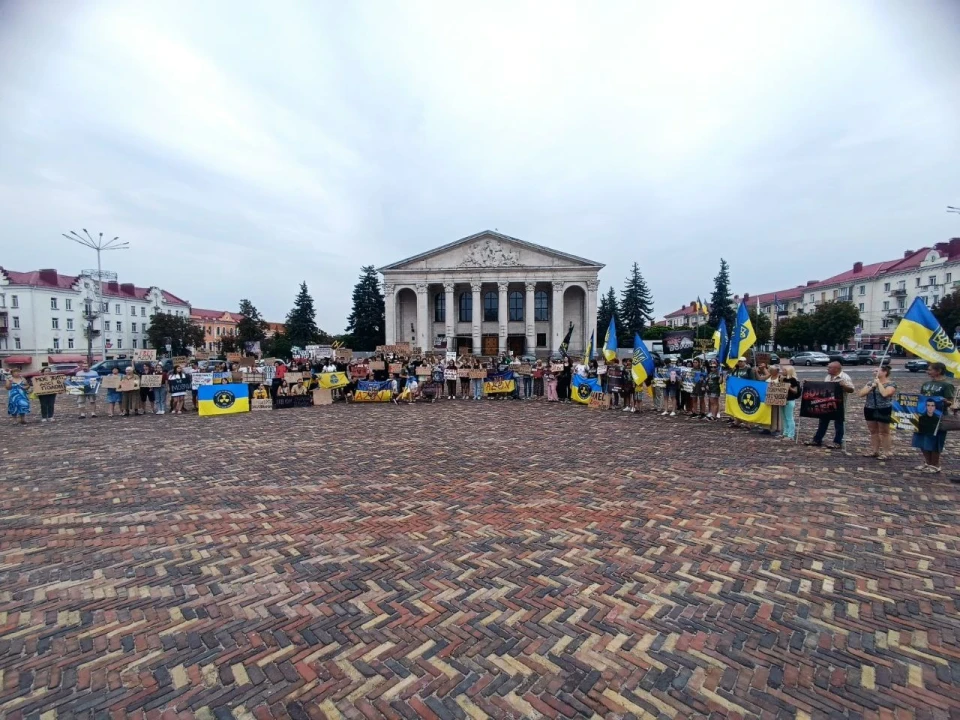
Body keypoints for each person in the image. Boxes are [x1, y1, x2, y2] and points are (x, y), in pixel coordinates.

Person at [912, 361, 954, 473]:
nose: (928, 371)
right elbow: (922, 398)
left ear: (938, 371)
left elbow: (951, 402)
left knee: (935, 440)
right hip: (924, 415)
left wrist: (945, 401)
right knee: (921, 438)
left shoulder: (947, 385)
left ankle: (935, 464)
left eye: (930, 369)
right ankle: (927, 462)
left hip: (938, 416)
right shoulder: (926, 384)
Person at [805, 361, 854, 449]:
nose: (827, 369)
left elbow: (851, 390)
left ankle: (837, 442)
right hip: (827, 403)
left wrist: (844, 386)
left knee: (838, 424)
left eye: (829, 367)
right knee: (823, 422)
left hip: (839, 405)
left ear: (836, 369)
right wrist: (810, 384)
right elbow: (824, 387)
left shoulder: (845, 377)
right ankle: (817, 439)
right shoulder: (828, 377)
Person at [858, 365, 896, 460]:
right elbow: (861, 394)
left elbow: (885, 394)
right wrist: (871, 387)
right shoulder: (871, 383)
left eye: (876, 371)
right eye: (874, 371)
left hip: (883, 408)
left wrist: (879, 384)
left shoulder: (890, 384)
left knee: (884, 432)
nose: (874, 372)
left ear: (884, 372)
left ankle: (887, 452)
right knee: (873, 431)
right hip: (869, 408)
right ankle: (875, 451)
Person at [780, 365, 801, 440]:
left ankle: (791, 435)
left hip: (790, 400)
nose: (782, 371)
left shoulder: (793, 380)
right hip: (782, 400)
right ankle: (785, 433)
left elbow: (795, 391)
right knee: (784, 418)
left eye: (784, 370)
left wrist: (789, 387)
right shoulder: (782, 379)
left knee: (789, 418)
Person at [762, 365, 783, 436]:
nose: (770, 371)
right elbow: (760, 379)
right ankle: (766, 428)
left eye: (772, 370)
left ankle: (775, 428)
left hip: (776, 398)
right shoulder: (768, 376)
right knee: (766, 413)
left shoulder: (780, 377)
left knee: (775, 413)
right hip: (767, 397)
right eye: (770, 370)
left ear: (776, 371)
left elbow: (783, 386)